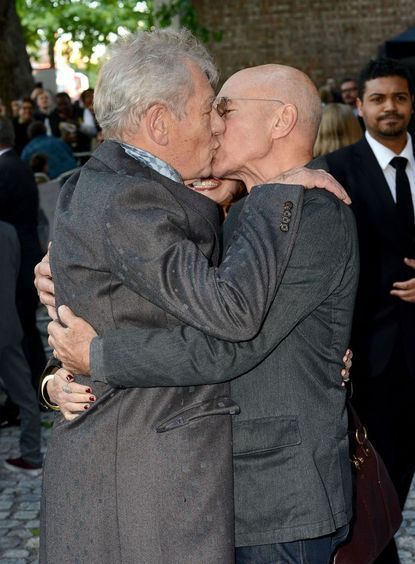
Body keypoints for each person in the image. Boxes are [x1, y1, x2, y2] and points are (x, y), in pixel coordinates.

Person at [35, 29, 349, 564]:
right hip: (169, 485)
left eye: (226, 109)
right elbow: (205, 314)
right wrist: (61, 374)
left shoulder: (300, 212)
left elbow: (220, 335)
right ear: (160, 121)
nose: (217, 123)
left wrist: (94, 358)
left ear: (280, 122)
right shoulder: (144, 201)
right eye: (211, 109)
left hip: (255, 491)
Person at [326, 57, 415, 564]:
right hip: (373, 360)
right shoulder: (338, 172)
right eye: (378, 99)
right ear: (358, 106)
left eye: (399, 97)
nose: (390, 108)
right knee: (379, 482)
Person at [0, 117, 45, 395]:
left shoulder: (5, 169)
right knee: (26, 330)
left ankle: (29, 391)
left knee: (20, 332)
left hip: (14, 262)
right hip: (25, 256)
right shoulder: (17, 164)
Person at [0, 221, 42, 476]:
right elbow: (16, 272)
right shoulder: (8, 231)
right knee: (25, 394)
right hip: (7, 323)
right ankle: (32, 454)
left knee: (24, 394)